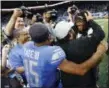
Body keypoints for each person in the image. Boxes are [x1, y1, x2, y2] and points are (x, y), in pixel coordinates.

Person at [13, 23, 107, 88]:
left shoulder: (27, 46)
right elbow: (80, 70)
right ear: (49, 36)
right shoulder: (52, 52)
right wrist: (99, 52)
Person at [53, 11, 106, 88]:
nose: (79, 27)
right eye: (77, 25)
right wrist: (90, 20)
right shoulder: (79, 43)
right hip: (85, 78)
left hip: (68, 80)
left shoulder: (56, 45)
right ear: (70, 34)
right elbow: (100, 34)